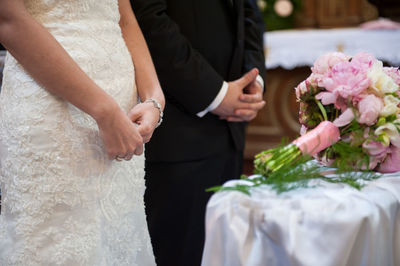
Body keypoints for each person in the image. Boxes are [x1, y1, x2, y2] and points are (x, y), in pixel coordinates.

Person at [0, 0, 164, 265]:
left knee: (116, 237)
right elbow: (8, 19)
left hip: (122, 107)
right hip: (52, 107)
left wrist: (154, 97)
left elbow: (123, 17)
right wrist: (104, 111)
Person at [131, 0, 266, 265]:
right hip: (177, 129)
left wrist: (253, 79)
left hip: (232, 127)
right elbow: (146, 17)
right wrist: (214, 94)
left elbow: (248, 11)